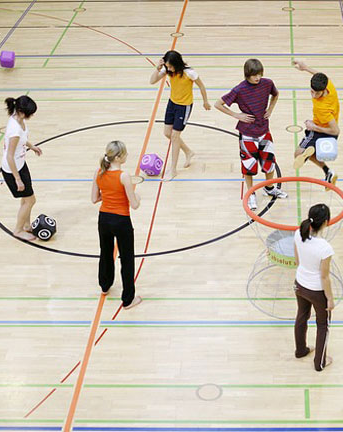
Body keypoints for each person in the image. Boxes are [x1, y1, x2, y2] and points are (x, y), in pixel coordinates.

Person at [215, 58, 287, 211]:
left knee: (269, 162)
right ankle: (251, 193)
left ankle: (269, 188)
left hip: (264, 131)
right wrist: (236, 115)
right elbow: (218, 104)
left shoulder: (267, 83)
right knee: (248, 166)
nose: (258, 77)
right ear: (247, 74)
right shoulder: (239, 89)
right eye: (255, 75)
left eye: (260, 74)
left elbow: (275, 94)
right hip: (247, 134)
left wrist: (270, 109)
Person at [91, 141, 142, 310]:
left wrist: (108, 195)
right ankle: (128, 300)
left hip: (104, 219)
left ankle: (105, 285)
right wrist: (138, 197)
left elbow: (94, 199)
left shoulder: (99, 172)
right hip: (121, 221)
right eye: (125, 153)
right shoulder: (124, 176)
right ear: (119, 157)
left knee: (105, 253)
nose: (127, 156)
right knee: (127, 259)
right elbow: (134, 205)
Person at [149, 50, 211, 179]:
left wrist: (205, 101)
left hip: (184, 106)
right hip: (172, 103)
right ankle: (188, 152)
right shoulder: (168, 70)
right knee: (167, 133)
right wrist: (158, 68)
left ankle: (173, 169)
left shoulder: (190, 73)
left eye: (170, 66)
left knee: (175, 136)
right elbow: (152, 81)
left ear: (177, 64)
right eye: (167, 66)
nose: (169, 69)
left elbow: (201, 86)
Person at [293, 204, 335, 371]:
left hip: (299, 284)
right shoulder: (325, 248)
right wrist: (330, 299)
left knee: (302, 315)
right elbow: (324, 277)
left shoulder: (298, 233)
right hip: (317, 291)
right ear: (325, 222)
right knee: (323, 325)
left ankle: (300, 350)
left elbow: (297, 261)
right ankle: (320, 363)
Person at [1, 96, 42, 241]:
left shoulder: (17, 118)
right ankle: (18, 230)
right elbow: (9, 156)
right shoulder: (14, 130)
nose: (31, 116)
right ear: (22, 112)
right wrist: (17, 179)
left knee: (26, 198)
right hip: (13, 170)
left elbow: (22, 139)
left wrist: (32, 146)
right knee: (31, 200)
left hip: (20, 165)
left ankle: (26, 225)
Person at [292, 60, 339, 187]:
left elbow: (336, 131)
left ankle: (311, 152)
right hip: (324, 127)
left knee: (298, 155)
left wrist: (314, 127)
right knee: (306, 153)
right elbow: (321, 76)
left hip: (323, 130)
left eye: (317, 93)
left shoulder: (322, 108)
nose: (313, 95)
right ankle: (328, 172)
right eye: (311, 91)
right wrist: (305, 68)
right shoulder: (328, 84)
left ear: (323, 90)